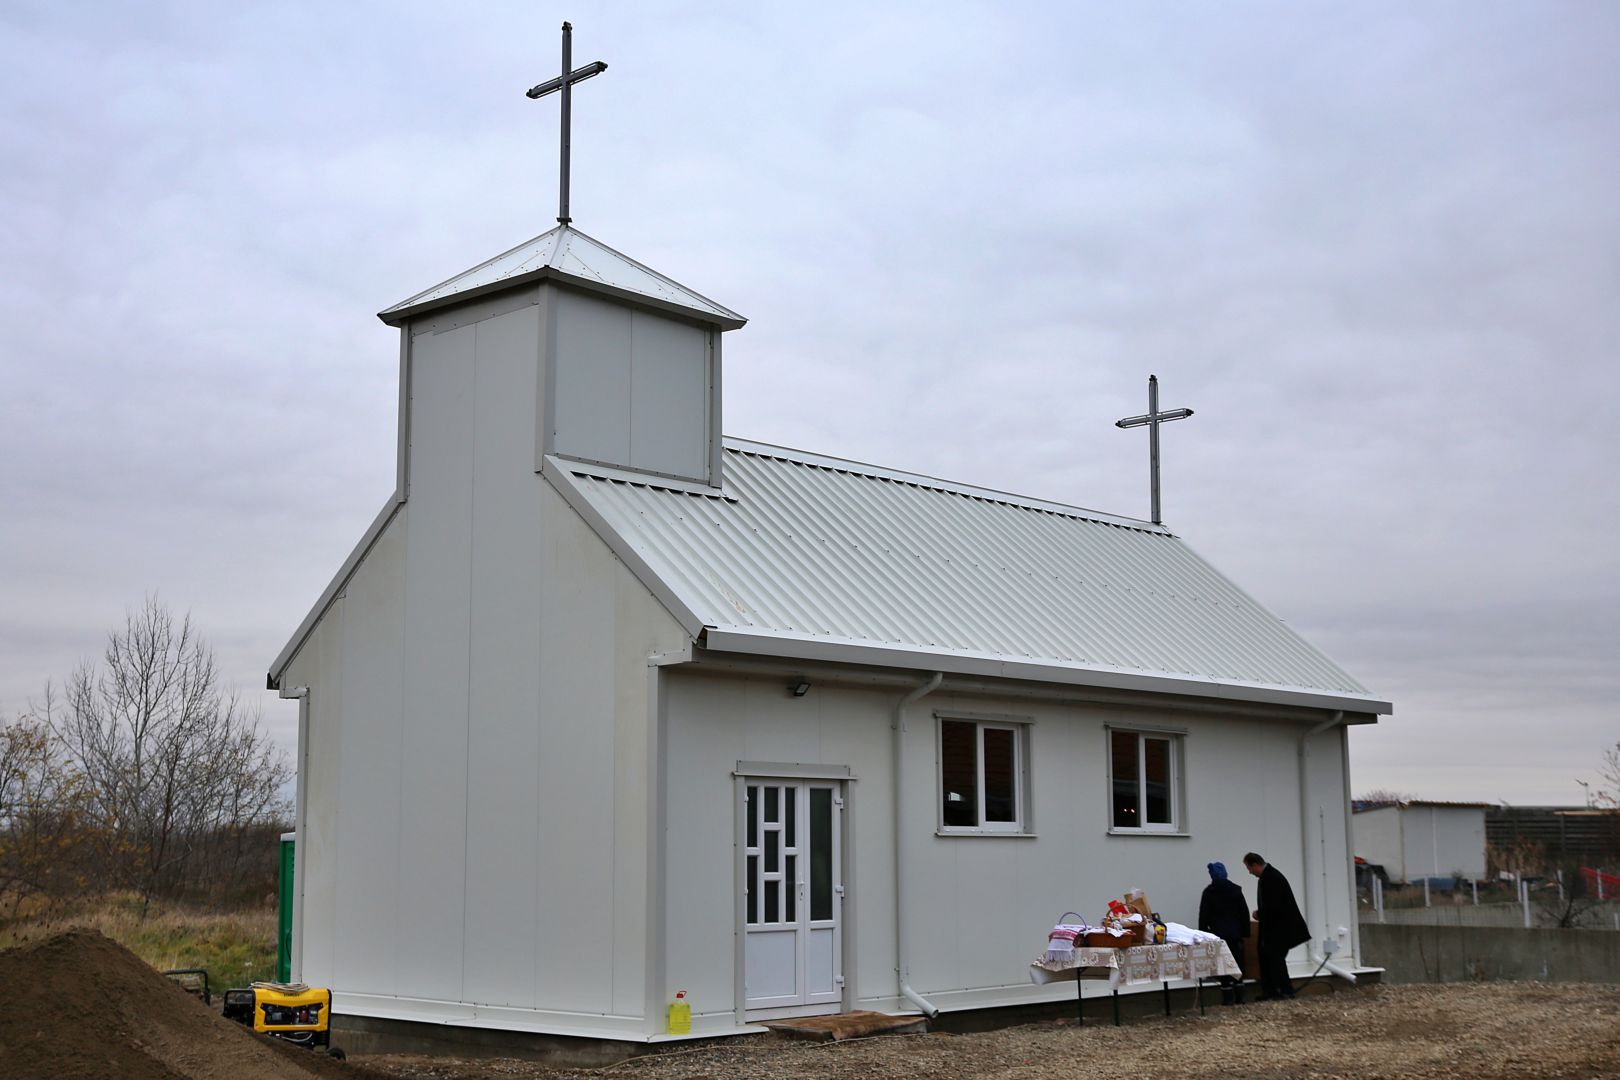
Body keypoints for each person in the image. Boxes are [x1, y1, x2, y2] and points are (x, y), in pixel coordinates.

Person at [1244, 852, 1310, 1001]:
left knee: (1275, 959)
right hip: (1275, 928)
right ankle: (1273, 991)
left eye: (1249, 868)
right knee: (1269, 958)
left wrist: (1259, 914)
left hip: (1279, 930)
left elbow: (1274, 906)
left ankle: (1284, 990)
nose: (1249, 872)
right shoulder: (1269, 876)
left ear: (1255, 865)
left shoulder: (1271, 878)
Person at [1198, 861, 1250, 1004]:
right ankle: (1240, 995)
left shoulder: (1209, 892)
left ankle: (1227, 996)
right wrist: (1245, 932)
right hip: (1235, 934)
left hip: (1218, 935)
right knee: (1238, 963)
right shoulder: (1236, 890)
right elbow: (1244, 913)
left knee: (1222, 965)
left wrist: (1203, 934)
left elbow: (1204, 915)